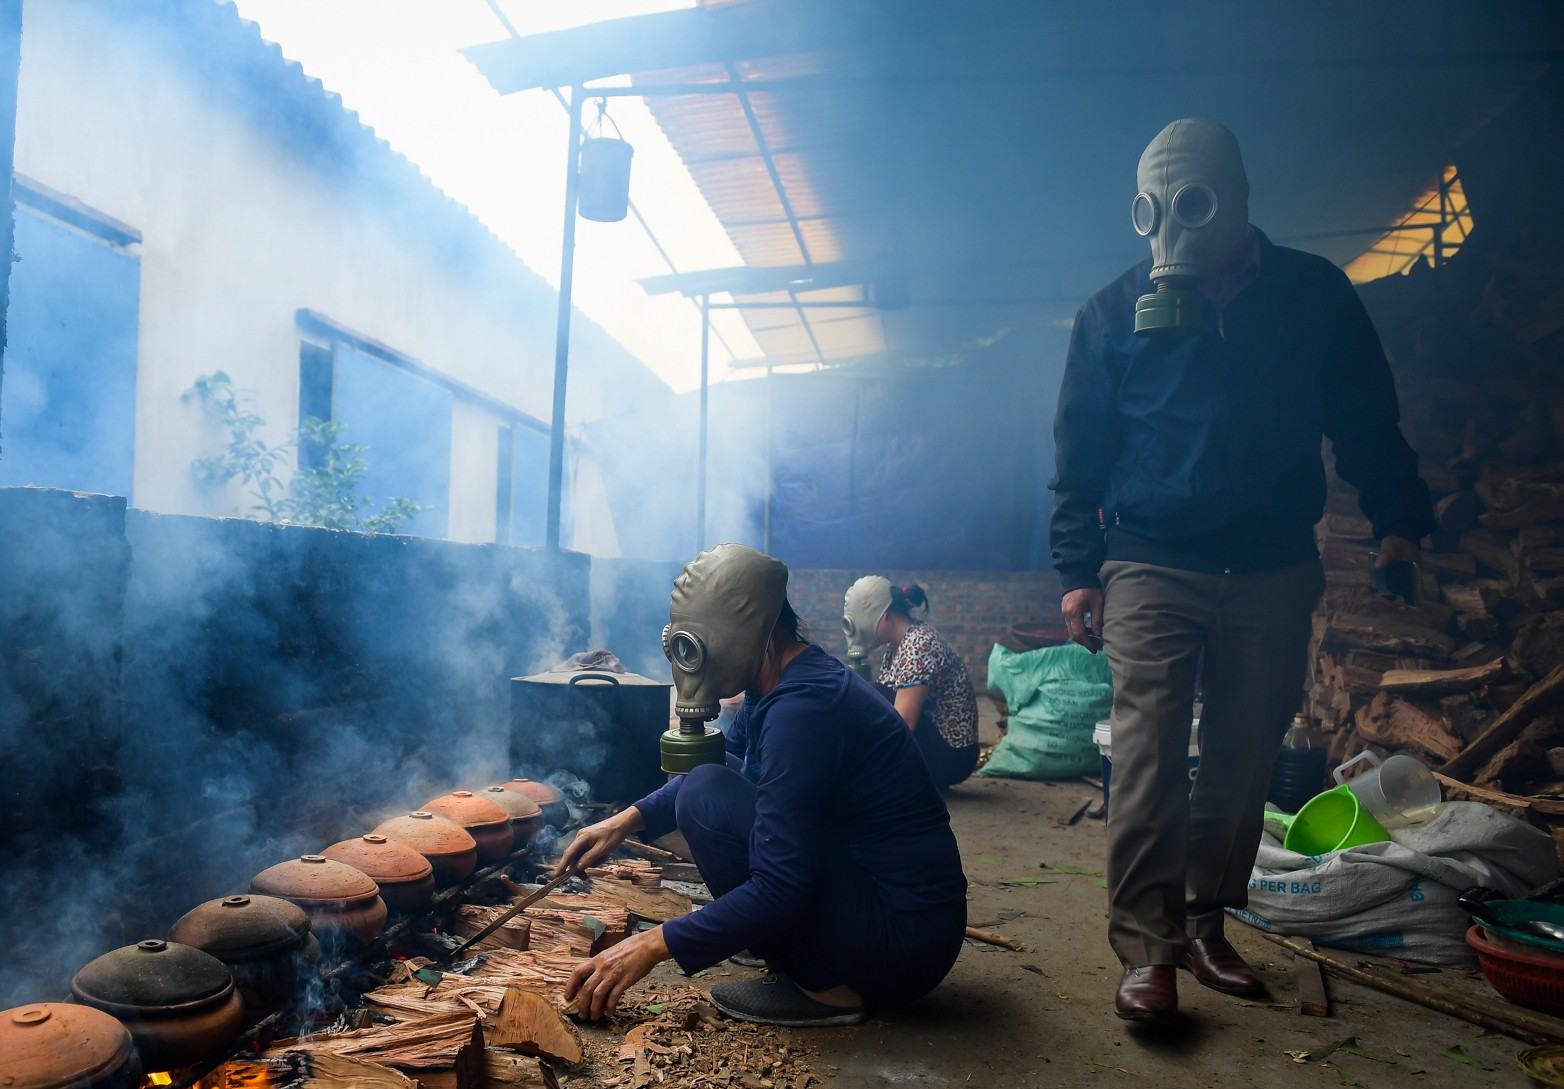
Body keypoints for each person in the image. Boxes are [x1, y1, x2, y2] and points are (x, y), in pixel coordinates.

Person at [1049, 119, 1434, 1022]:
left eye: (1193, 203)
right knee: (1144, 756)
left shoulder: (1312, 295)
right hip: (1150, 559)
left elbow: (1368, 419)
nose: (1172, 228)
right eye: (1155, 207)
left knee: (1241, 755)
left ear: (1239, 200)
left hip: (1271, 562)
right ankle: (1147, 949)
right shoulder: (1111, 313)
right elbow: (1081, 451)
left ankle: (1203, 921)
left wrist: (1398, 520)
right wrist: (1078, 565)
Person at [557, 544, 967, 1027]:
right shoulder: (777, 682)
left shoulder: (801, 711)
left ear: (753, 630)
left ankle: (826, 988)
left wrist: (650, 945)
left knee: (706, 793)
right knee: (707, 782)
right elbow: (730, 770)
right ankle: (790, 947)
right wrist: (624, 823)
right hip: (888, 908)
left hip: (902, 941)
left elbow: (780, 885)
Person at [842, 576, 980, 789]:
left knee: (872, 695)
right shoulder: (899, 644)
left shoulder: (919, 644)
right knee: (869, 697)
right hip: (938, 747)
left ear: (885, 616)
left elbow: (904, 722)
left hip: (951, 756)